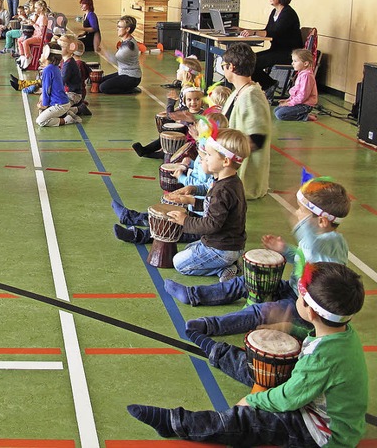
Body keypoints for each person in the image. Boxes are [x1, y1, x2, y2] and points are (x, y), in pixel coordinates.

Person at [129, 262, 368, 447]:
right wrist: (287, 328)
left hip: (322, 434)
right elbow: (308, 372)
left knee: (250, 422)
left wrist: (252, 400)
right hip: (314, 402)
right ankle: (216, 350)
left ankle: (176, 422)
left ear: (311, 311)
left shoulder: (323, 357)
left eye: (300, 295)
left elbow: (288, 399)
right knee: (261, 364)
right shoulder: (340, 332)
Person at [176, 176, 350, 338]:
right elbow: (305, 258)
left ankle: (211, 326)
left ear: (322, 221)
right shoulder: (322, 240)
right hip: (294, 290)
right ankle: (194, 294)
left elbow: (310, 243)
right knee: (244, 282)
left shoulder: (330, 243)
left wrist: (299, 206)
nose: (297, 214)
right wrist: (285, 249)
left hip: (307, 308)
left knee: (260, 311)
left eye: (302, 211)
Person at [119, 128, 250, 282]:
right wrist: (191, 201)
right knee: (188, 249)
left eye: (208, 155)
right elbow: (217, 209)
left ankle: (227, 267)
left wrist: (184, 221)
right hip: (229, 244)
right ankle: (230, 261)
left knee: (179, 263)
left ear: (226, 161)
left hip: (222, 248)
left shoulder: (223, 190)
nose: (204, 159)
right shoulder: (231, 182)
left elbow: (211, 224)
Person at [220, 43, 272, 200]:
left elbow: (257, 138)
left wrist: (226, 156)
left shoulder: (251, 96)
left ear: (232, 67)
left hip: (244, 182)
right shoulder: (239, 92)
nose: (223, 69)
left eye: (224, 65)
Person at [240, 0, 303, 97]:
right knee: (248, 60)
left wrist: (252, 32)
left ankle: (269, 84)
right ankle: (268, 84)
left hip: (288, 53)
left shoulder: (288, 13)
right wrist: (245, 30)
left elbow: (274, 33)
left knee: (252, 63)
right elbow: (267, 30)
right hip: (276, 50)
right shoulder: (275, 12)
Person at [36, 42, 82, 127]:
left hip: (60, 105)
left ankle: (67, 120)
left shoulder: (48, 70)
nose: (41, 54)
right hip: (62, 102)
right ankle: (68, 112)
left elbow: (46, 90)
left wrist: (44, 105)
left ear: (47, 56)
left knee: (40, 121)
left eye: (43, 53)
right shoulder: (54, 67)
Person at [98, 15, 142, 94]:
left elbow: (115, 60)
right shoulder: (126, 41)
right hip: (123, 72)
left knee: (103, 88)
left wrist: (103, 50)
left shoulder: (129, 46)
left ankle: (130, 90)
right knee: (98, 82)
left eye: (119, 27)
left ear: (127, 29)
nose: (117, 29)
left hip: (132, 77)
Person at [274, 48, 318, 121]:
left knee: (280, 114)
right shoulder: (302, 73)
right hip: (300, 103)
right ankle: (301, 114)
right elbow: (297, 93)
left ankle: (305, 117)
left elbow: (303, 96)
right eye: (292, 61)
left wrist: (289, 103)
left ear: (305, 63)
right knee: (276, 110)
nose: (292, 63)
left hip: (305, 105)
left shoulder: (306, 76)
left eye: (295, 61)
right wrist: (288, 100)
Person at [17, 0, 48, 70]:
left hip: (40, 38)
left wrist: (33, 24)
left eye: (36, 8)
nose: (35, 9)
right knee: (20, 40)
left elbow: (41, 31)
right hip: (35, 36)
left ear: (41, 8)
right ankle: (22, 56)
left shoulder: (43, 18)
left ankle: (28, 57)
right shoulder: (39, 16)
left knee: (25, 42)